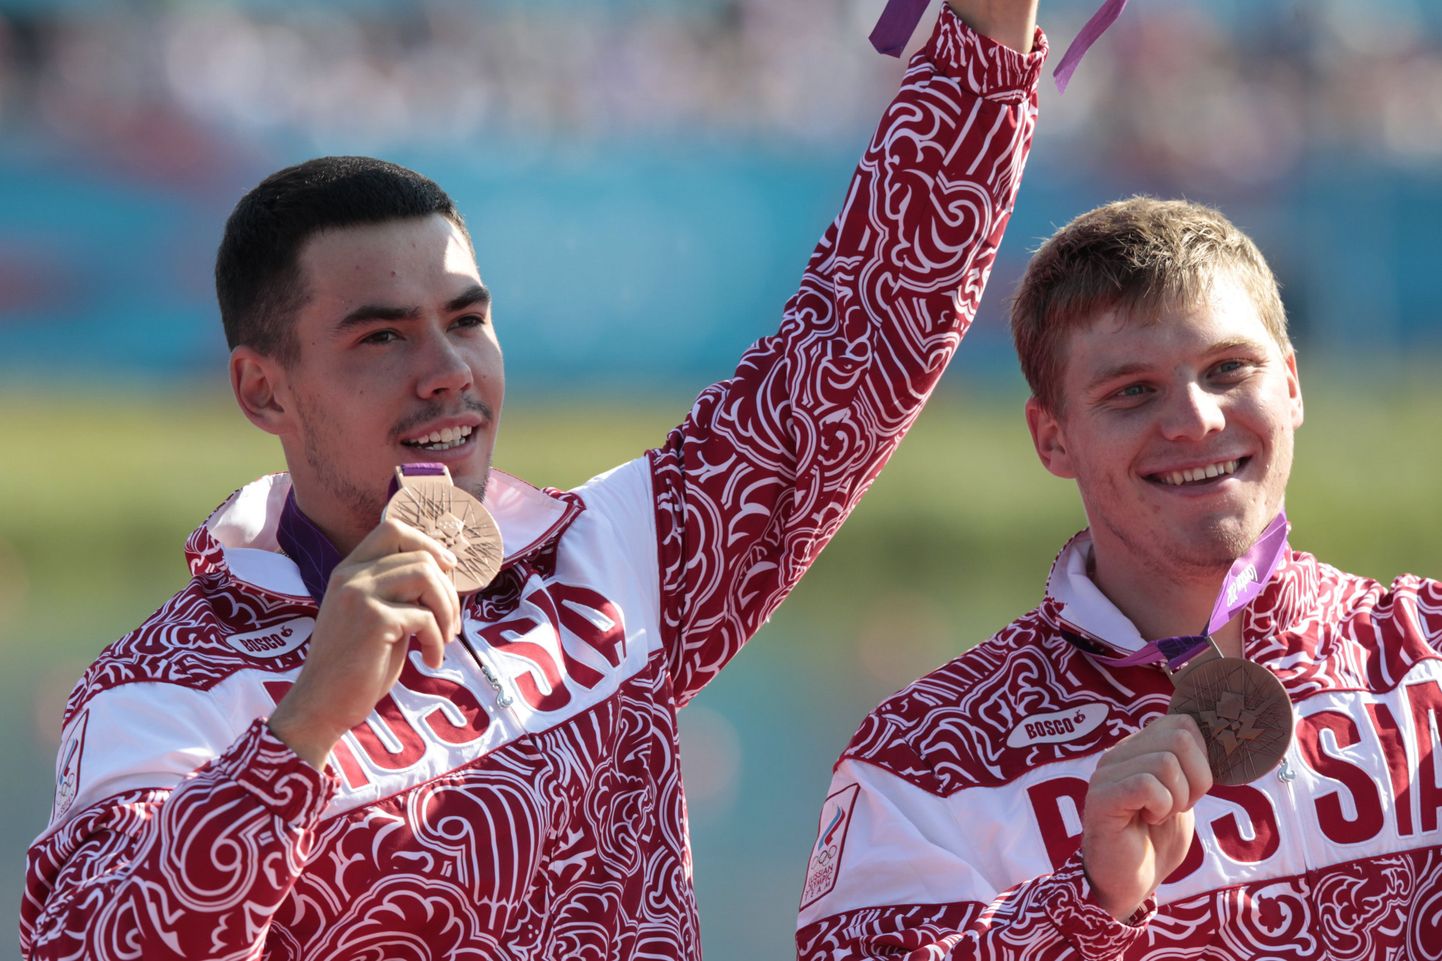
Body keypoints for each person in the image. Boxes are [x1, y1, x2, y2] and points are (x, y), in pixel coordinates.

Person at [21, 2, 1047, 958]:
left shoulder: (616, 559)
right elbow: (91, 941)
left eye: (466, 321)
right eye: (379, 336)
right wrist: (304, 725)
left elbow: (858, 332)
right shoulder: (161, 689)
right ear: (263, 390)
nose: (446, 373)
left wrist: (986, 32)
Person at [796, 197, 1442, 960]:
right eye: (1132, 391)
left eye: (1228, 368)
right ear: (1053, 437)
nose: (1195, 420)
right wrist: (1089, 902)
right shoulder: (923, 761)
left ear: (1292, 386)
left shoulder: (1425, 648)